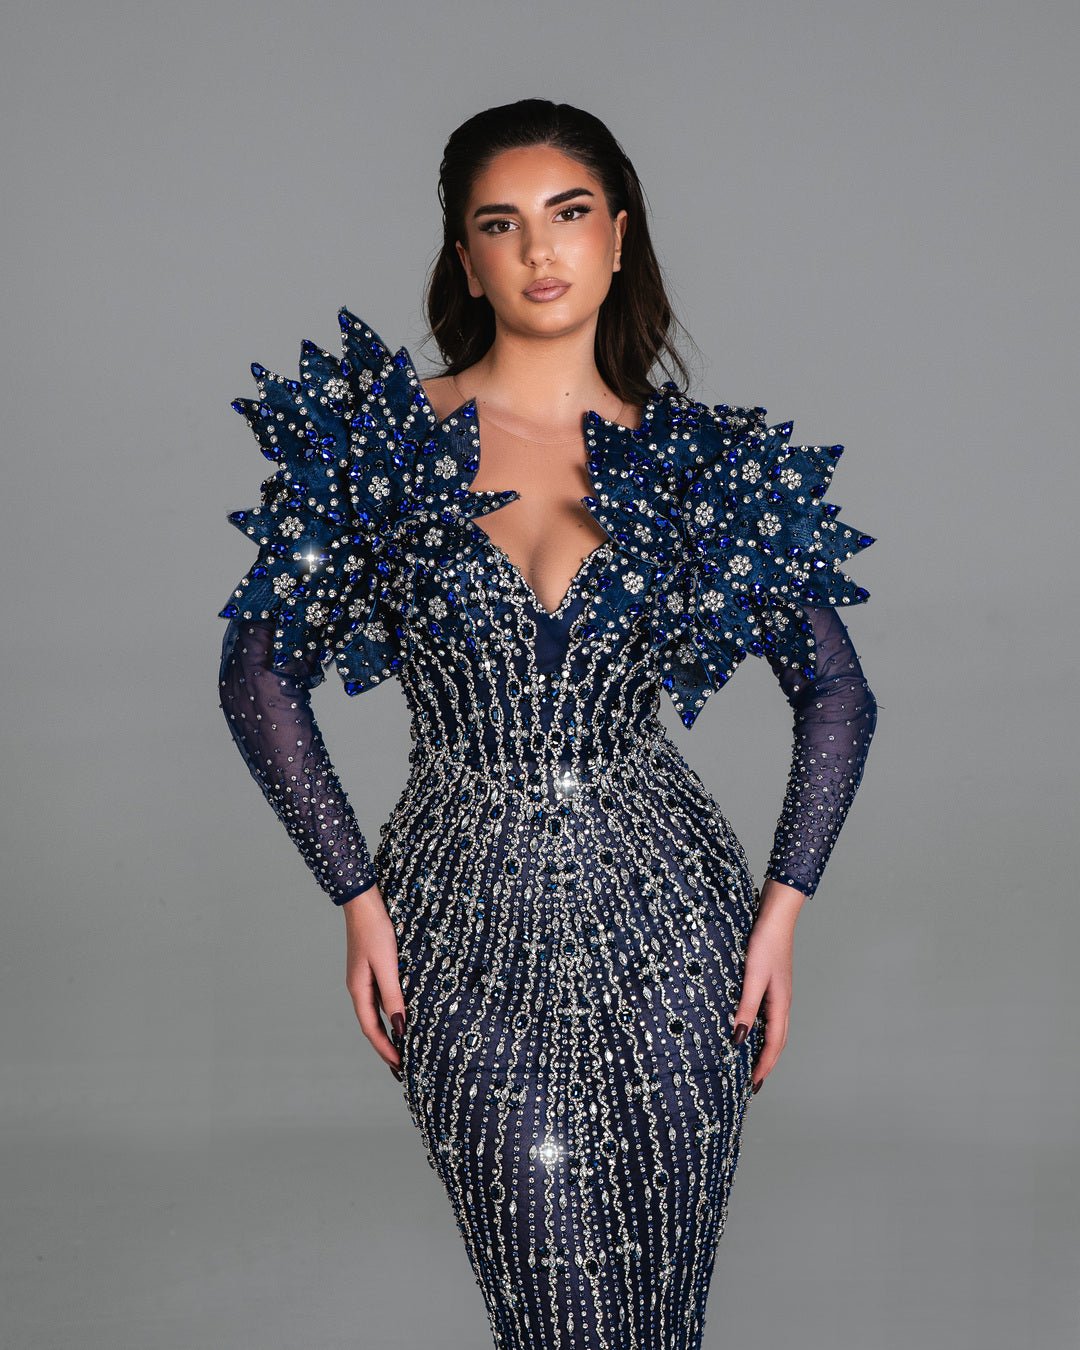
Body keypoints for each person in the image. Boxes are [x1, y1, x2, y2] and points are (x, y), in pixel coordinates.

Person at [216, 98, 877, 1350]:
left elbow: (838, 691)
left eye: (568, 214)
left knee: (662, 1316)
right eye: (499, 224)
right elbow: (257, 672)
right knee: (553, 1314)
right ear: (466, 261)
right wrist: (356, 896)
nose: (538, 250)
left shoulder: (699, 467)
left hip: (675, 929)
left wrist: (781, 915)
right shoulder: (380, 447)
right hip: (456, 925)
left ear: (619, 237)